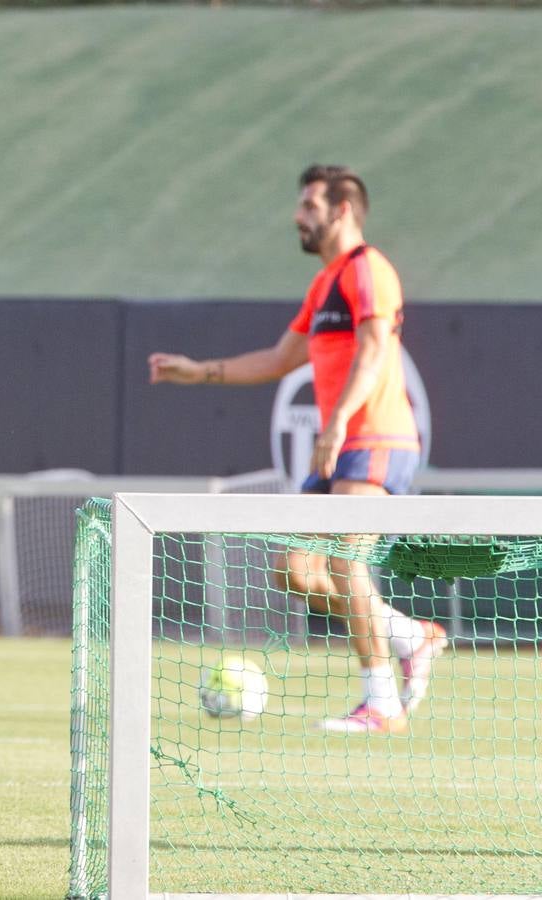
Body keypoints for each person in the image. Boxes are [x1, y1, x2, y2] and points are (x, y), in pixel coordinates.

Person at [148, 164, 447, 735]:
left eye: (309, 205)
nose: (298, 216)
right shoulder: (325, 281)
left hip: (376, 438)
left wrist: (335, 422)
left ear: (342, 211)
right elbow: (280, 359)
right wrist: (198, 372)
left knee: (344, 560)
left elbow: (375, 349)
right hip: (342, 443)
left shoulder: (369, 270)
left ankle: (381, 703)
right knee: (292, 570)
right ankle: (413, 637)